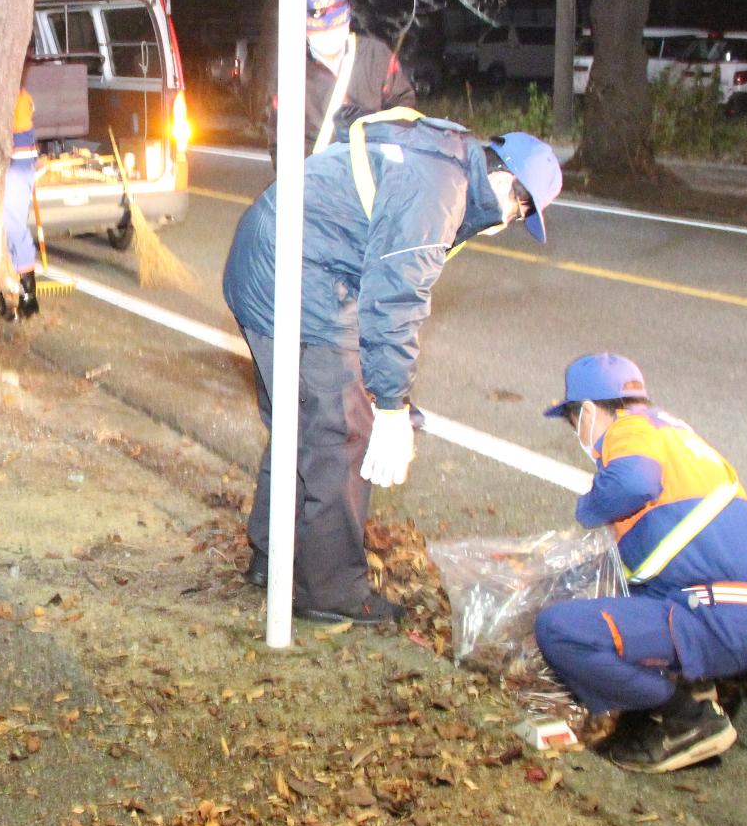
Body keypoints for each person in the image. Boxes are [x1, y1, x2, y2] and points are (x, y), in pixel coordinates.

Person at [222, 112, 561, 623]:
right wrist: (391, 408)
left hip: (274, 263)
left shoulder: (440, 164)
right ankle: (330, 592)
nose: (508, 223)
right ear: (505, 183)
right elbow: (396, 297)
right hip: (295, 278)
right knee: (342, 436)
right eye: (519, 210)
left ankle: (275, 555)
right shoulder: (439, 190)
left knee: (303, 423)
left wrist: (388, 395)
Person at [535, 354, 747, 773]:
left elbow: (633, 483)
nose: (577, 430)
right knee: (615, 593)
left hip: (718, 621)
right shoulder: (675, 435)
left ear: (591, 411)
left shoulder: (628, 430)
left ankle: (686, 717)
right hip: (744, 612)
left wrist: (589, 508)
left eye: (574, 418)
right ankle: (697, 686)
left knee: (559, 631)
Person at [302, 0, 417, 155]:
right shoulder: (291, 69)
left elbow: (404, 106)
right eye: (318, 29)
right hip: (320, 174)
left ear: (347, 21)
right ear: (306, 32)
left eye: (335, 25)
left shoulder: (376, 55)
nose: (328, 34)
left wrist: (374, 128)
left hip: (373, 166)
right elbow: (281, 140)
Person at [0, 86, 42, 321]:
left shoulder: (18, 97)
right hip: (18, 158)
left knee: (13, 225)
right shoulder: (19, 94)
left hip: (18, 159)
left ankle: (28, 297)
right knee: (5, 227)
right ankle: (9, 296)